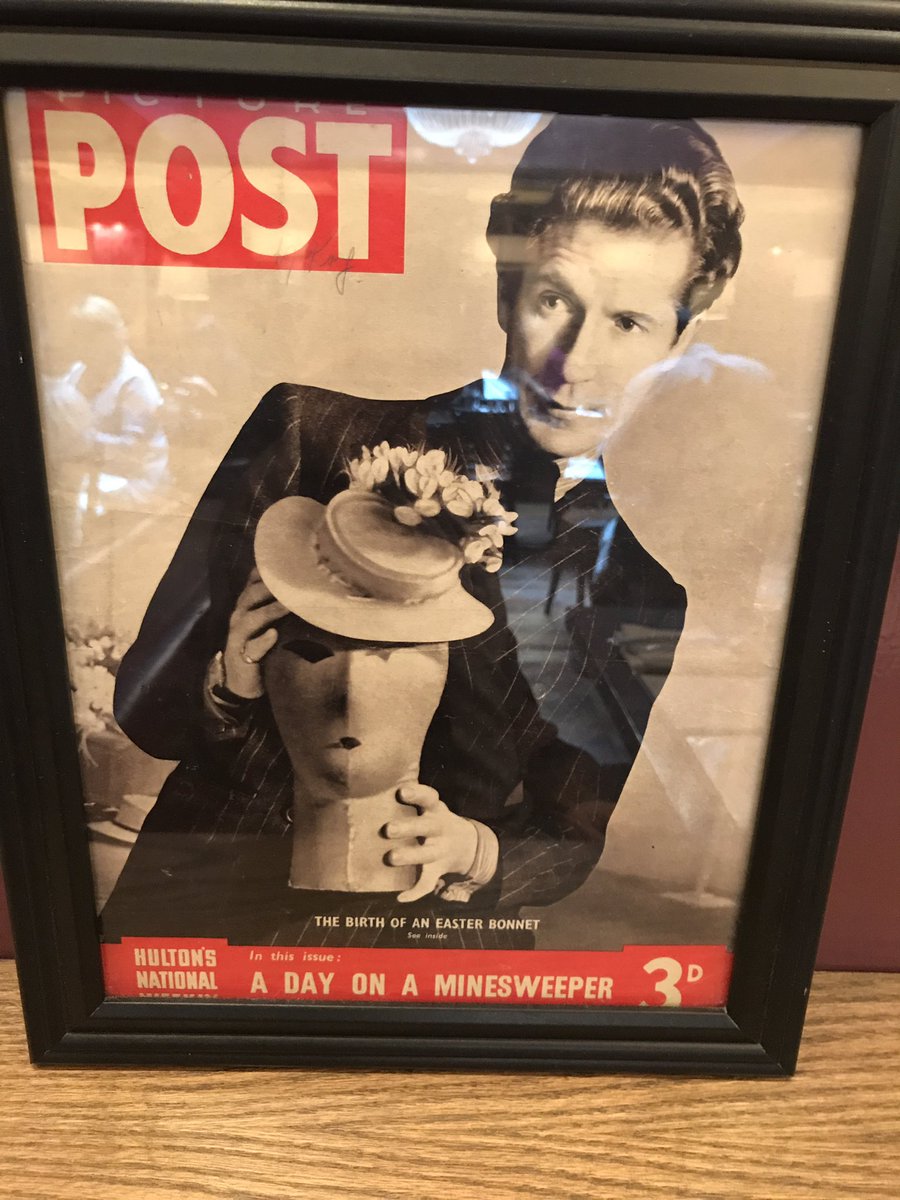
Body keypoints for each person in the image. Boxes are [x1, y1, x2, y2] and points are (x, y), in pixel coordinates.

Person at [101, 114, 744, 950]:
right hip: (208, 923)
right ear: (507, 285)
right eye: (555, 299)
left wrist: (474, 852)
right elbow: (143, 713)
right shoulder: (308, 436)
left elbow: (570, 838)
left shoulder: (639, 589)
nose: (575, 362)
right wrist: (227, 685)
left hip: (437, 961)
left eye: (630, 323)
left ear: (678, 341)